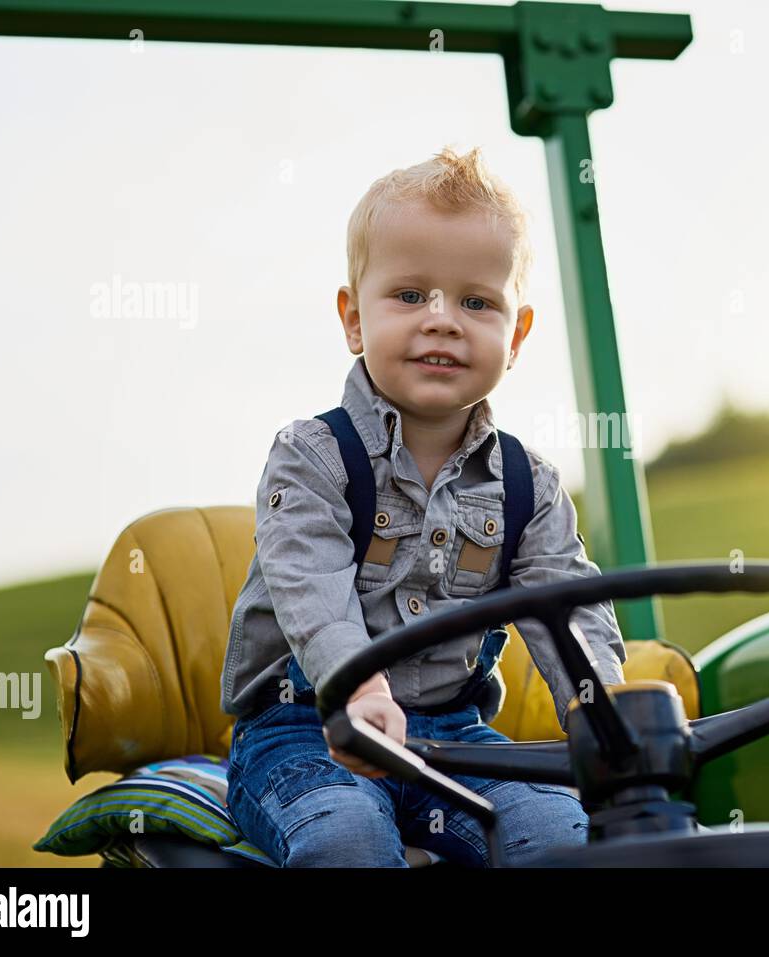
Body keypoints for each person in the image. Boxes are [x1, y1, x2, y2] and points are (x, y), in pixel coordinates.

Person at [219, 145, 627, 867]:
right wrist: (356, 688)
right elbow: (311, 590)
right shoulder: (313, 456)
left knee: (563, 838)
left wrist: (598, 704)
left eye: (476, 301)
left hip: (454, 735)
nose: (442, 319)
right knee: (345, 835)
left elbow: (565, 604)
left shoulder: (527, 486)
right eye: (410, 296)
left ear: (517, 333)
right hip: (305, 727)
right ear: (352, 318)